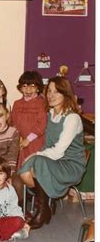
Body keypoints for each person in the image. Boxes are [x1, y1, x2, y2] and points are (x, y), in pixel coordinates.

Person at [17, 77, 86, 230]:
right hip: (54, 161)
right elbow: (47, 145)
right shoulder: (49, 115)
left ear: (65, 94)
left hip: (70, 164)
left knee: (37, 162)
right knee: (24, 172)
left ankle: (42, 211)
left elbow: (59, 150)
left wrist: (35, 156)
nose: (51, 95)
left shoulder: (72, 118)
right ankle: (46, 203)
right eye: (49, 91)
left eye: (57, 92)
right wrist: (35, 157)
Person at [11, 71, 46, 169]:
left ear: (38, 88)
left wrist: (28, 139)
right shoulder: (17, 104)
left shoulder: (41, 104)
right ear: (20, 88)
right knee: (20, 169)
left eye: (32, 86)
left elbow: (41, 125)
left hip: (36, 141)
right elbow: (12, 122)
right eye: (25, 86)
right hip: (21, 142)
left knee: (33, 169)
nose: (28, 89)